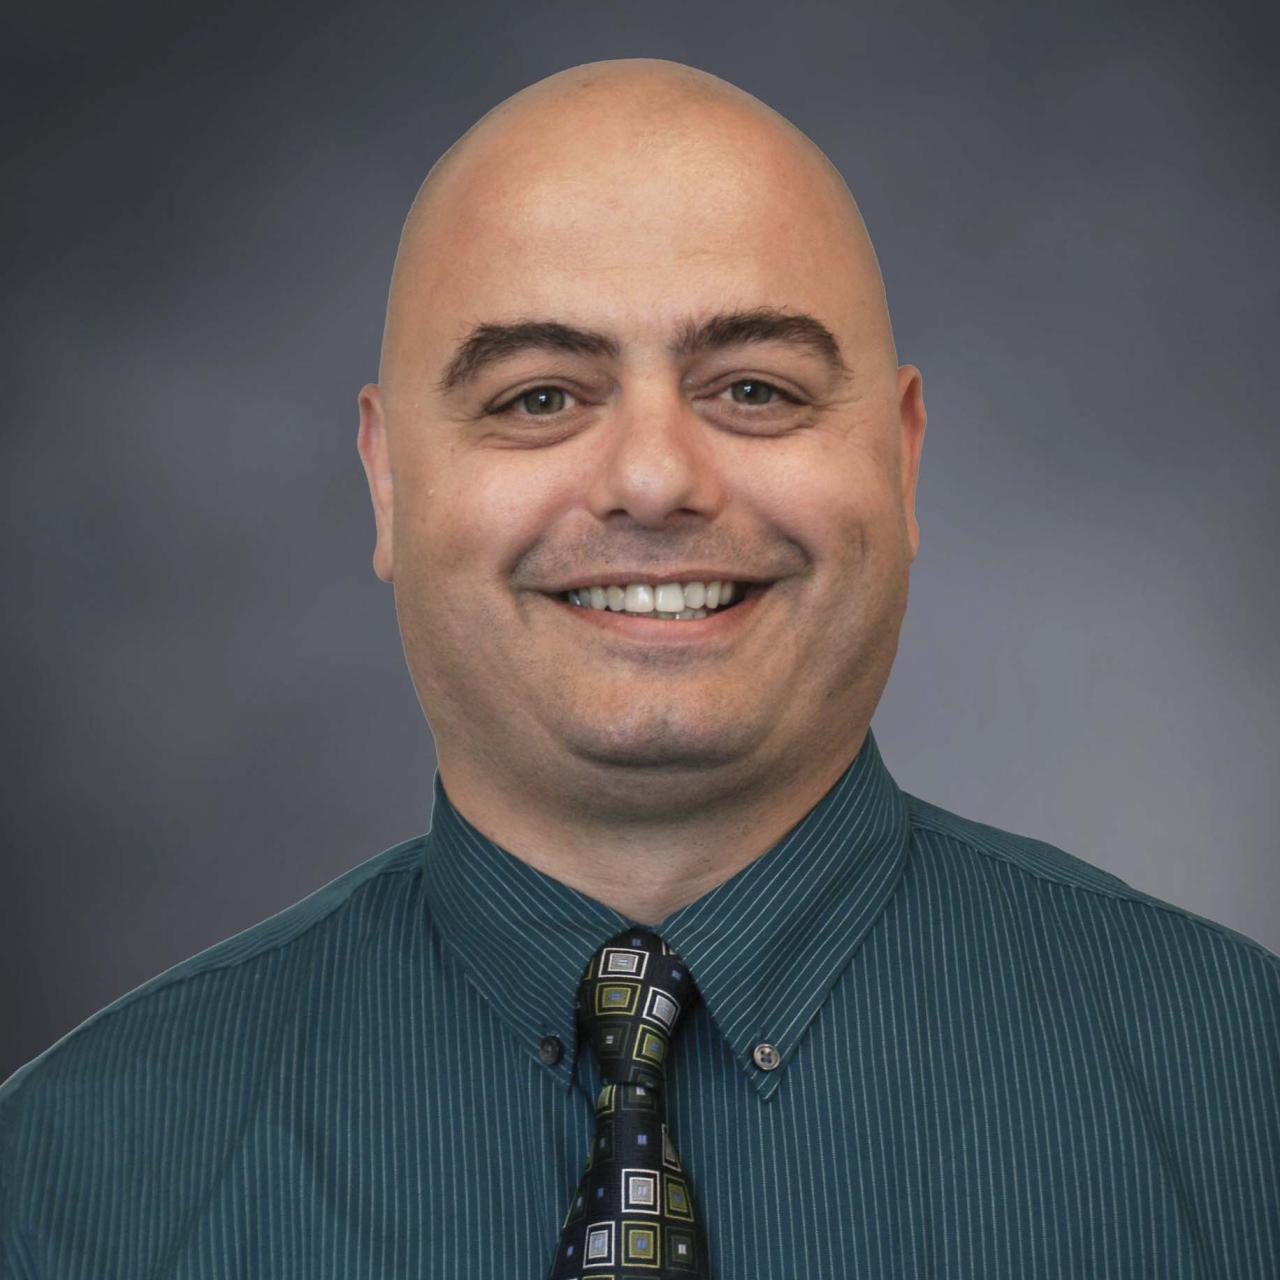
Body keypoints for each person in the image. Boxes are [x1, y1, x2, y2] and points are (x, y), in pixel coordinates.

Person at [1, 56, 1276, 1279]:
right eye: (539, 397)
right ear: (387, 480)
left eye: (756, 388)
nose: (655, 478)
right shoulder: (67, 1178)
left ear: (899, 457)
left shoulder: (1241, 1094)